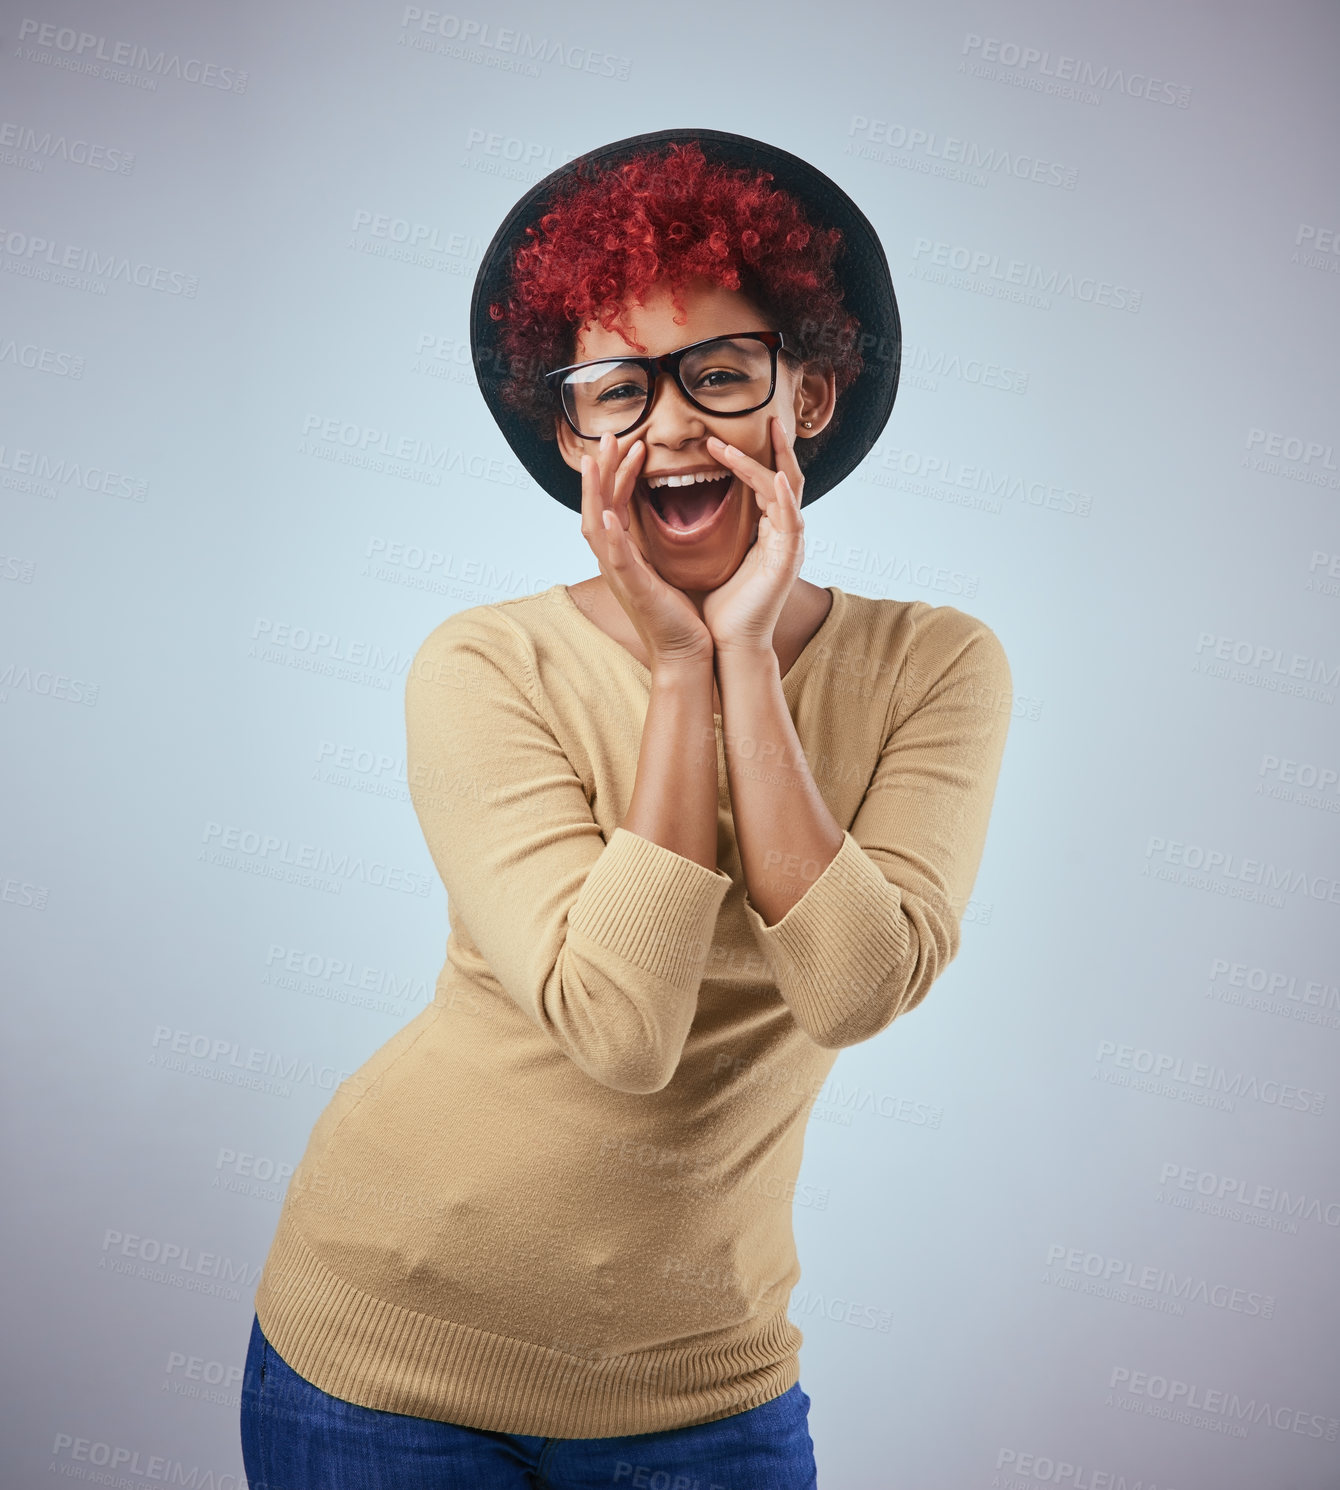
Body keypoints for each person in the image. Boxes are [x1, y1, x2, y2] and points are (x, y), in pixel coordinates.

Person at [239, 130, 1013, 1489]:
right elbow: (623, 1023)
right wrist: (674, 665)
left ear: (811, 394)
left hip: (702, 1380)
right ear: (567, 430)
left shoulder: (934, 666)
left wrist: (743, 659)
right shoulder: (485, 664)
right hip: (385, 1358)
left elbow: (846, 987)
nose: (668, 427)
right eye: (615, 389)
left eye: (720, 373)